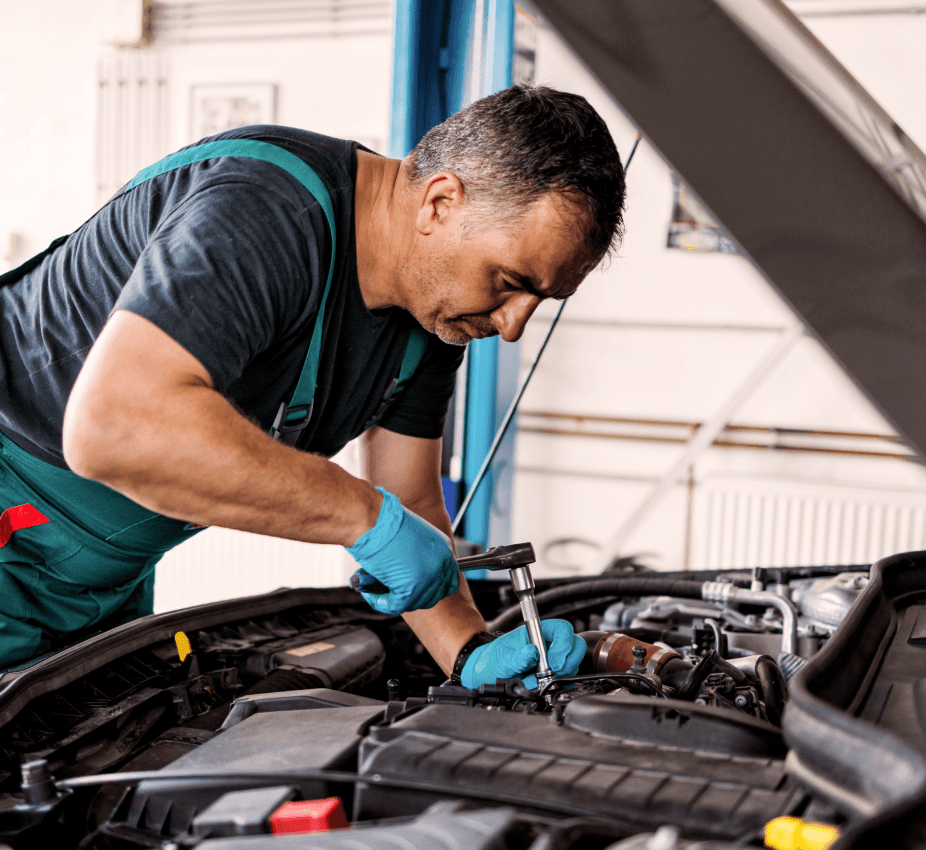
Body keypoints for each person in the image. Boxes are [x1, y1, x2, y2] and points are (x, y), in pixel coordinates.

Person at [0, 84, 626, 684]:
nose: (515, 325)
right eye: (512, 281)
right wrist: (361, 515)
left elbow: (409, 500)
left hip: (103, 580)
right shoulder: (266, 211)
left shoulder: (434, 315)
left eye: (544, 298)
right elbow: (114, 428)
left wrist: (469, 651)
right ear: (440, 202)